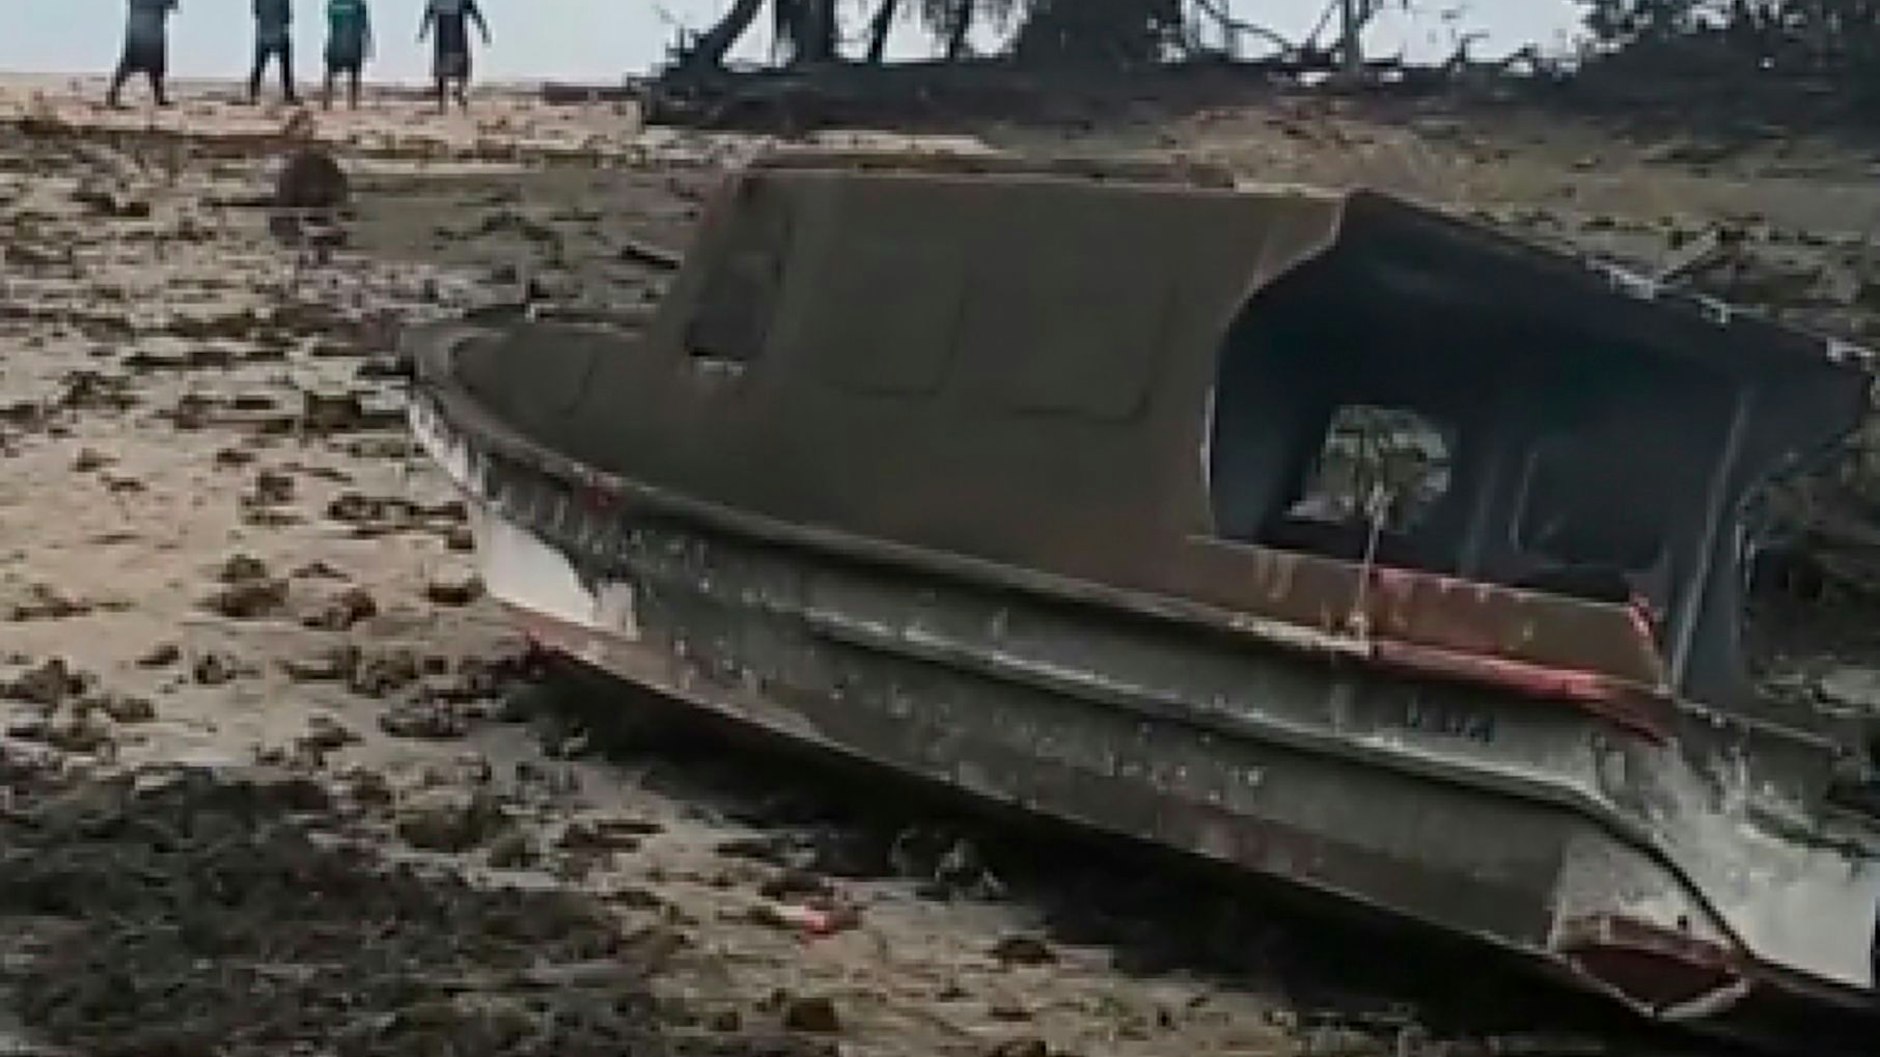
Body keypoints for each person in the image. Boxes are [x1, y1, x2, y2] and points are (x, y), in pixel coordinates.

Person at [418, 0, 490, 113]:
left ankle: (458, 95)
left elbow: (473, 10)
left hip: (454, 31)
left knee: (455, 66)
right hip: (446, 32)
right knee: (444, 69)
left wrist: (483, 29)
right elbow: (429, 12)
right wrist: (423, 30)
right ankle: (445, 102)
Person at [106, 0, 178, 109]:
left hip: (147, 26)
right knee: (132, 62)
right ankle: (113, 93)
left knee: (152, 64)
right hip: (146, 26)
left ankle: (159, 96)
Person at [323, 0, 372, 110]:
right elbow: (364, 26)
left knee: (330, 73)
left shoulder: (334, 3)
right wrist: (367, 43)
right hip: (352, 44)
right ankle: (353, 103)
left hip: (337, 43)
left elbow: (330, 20)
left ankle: (327, 101)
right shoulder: (359, 4)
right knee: (354, 73)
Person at [249, 0, 299, 105]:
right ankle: (288, 92)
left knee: (259, 66)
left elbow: (255, 13)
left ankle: (253, 92)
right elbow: (288, 17)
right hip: (279, 35)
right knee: (285, 64)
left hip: (264, 34)